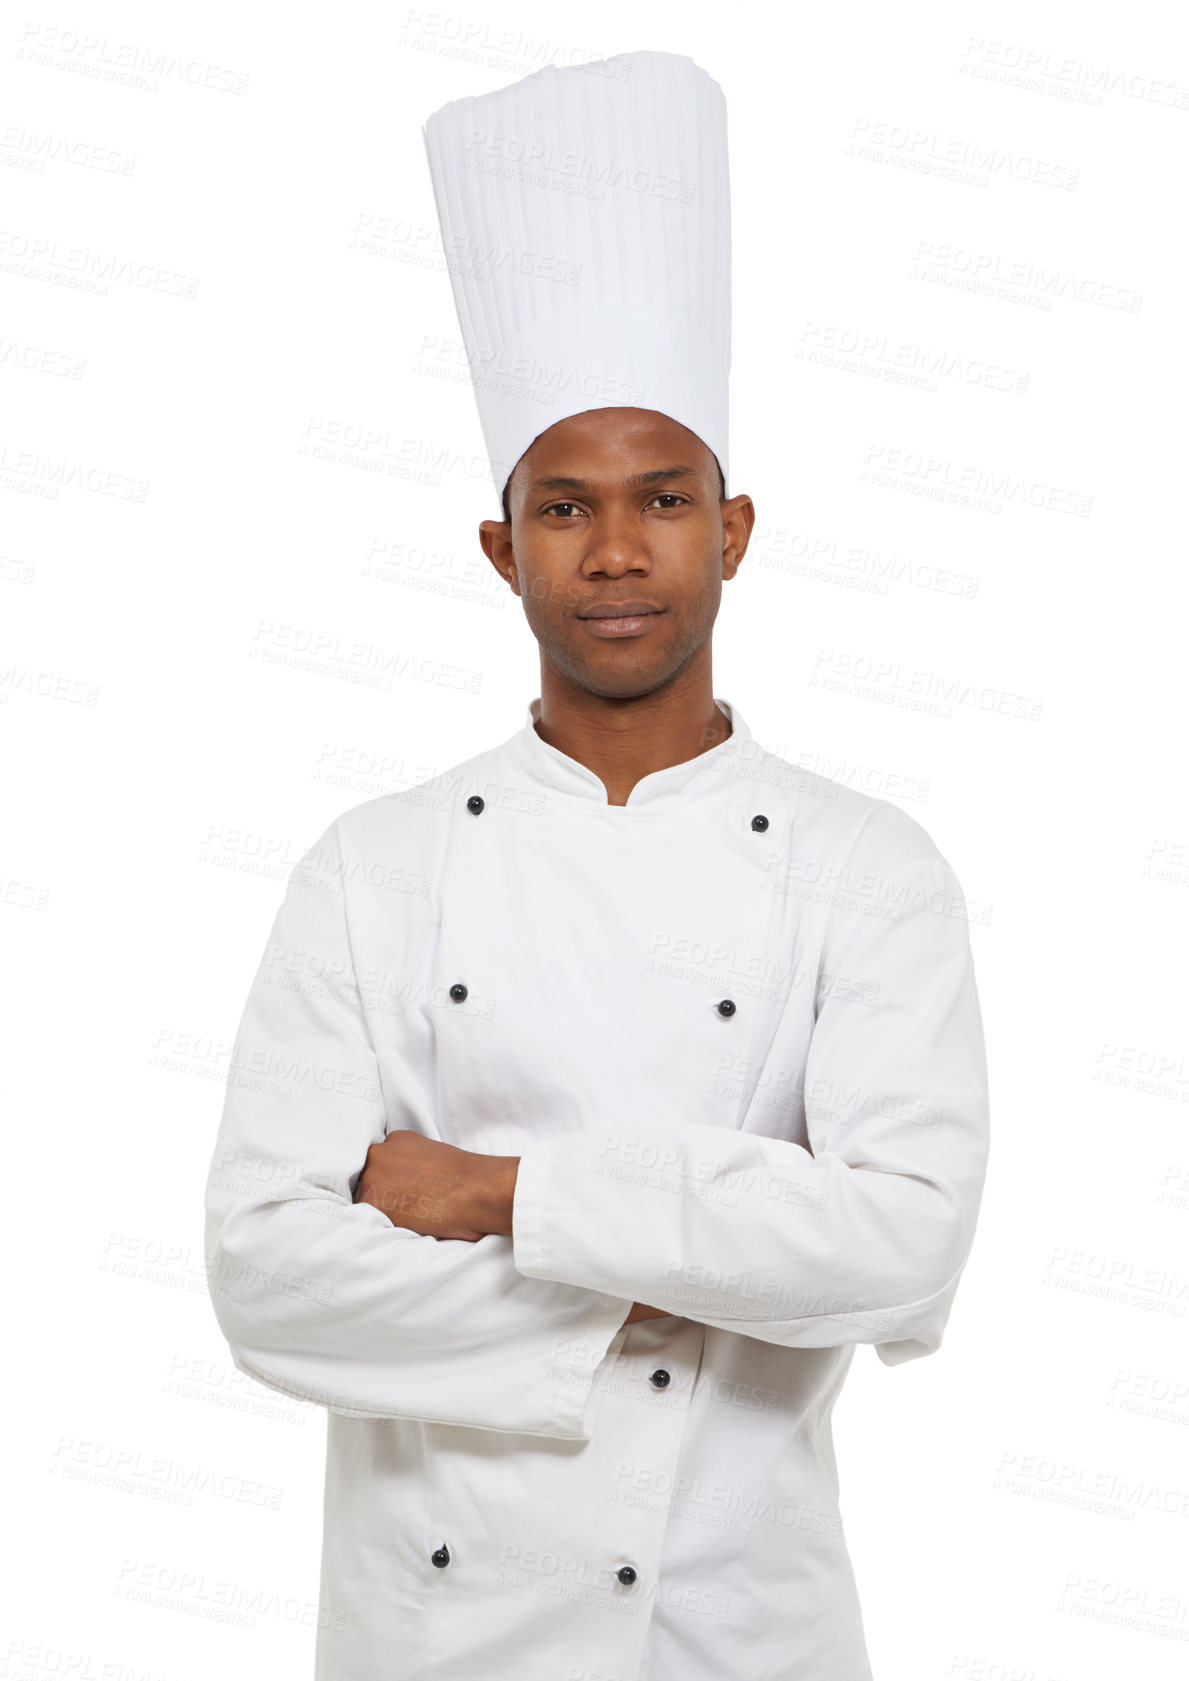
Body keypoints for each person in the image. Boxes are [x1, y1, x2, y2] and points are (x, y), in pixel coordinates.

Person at [203, 50, 990, 1681]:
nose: (617, 551)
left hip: (739, 1632)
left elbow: (902, 1242)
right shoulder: (373, 866)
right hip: (433, 1639)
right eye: (563, 505)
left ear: (735, 528)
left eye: (662, 498)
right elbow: (268, 1279)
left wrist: (501, 1196)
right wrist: (673, 1281)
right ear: (502, 547)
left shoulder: (867, 869)